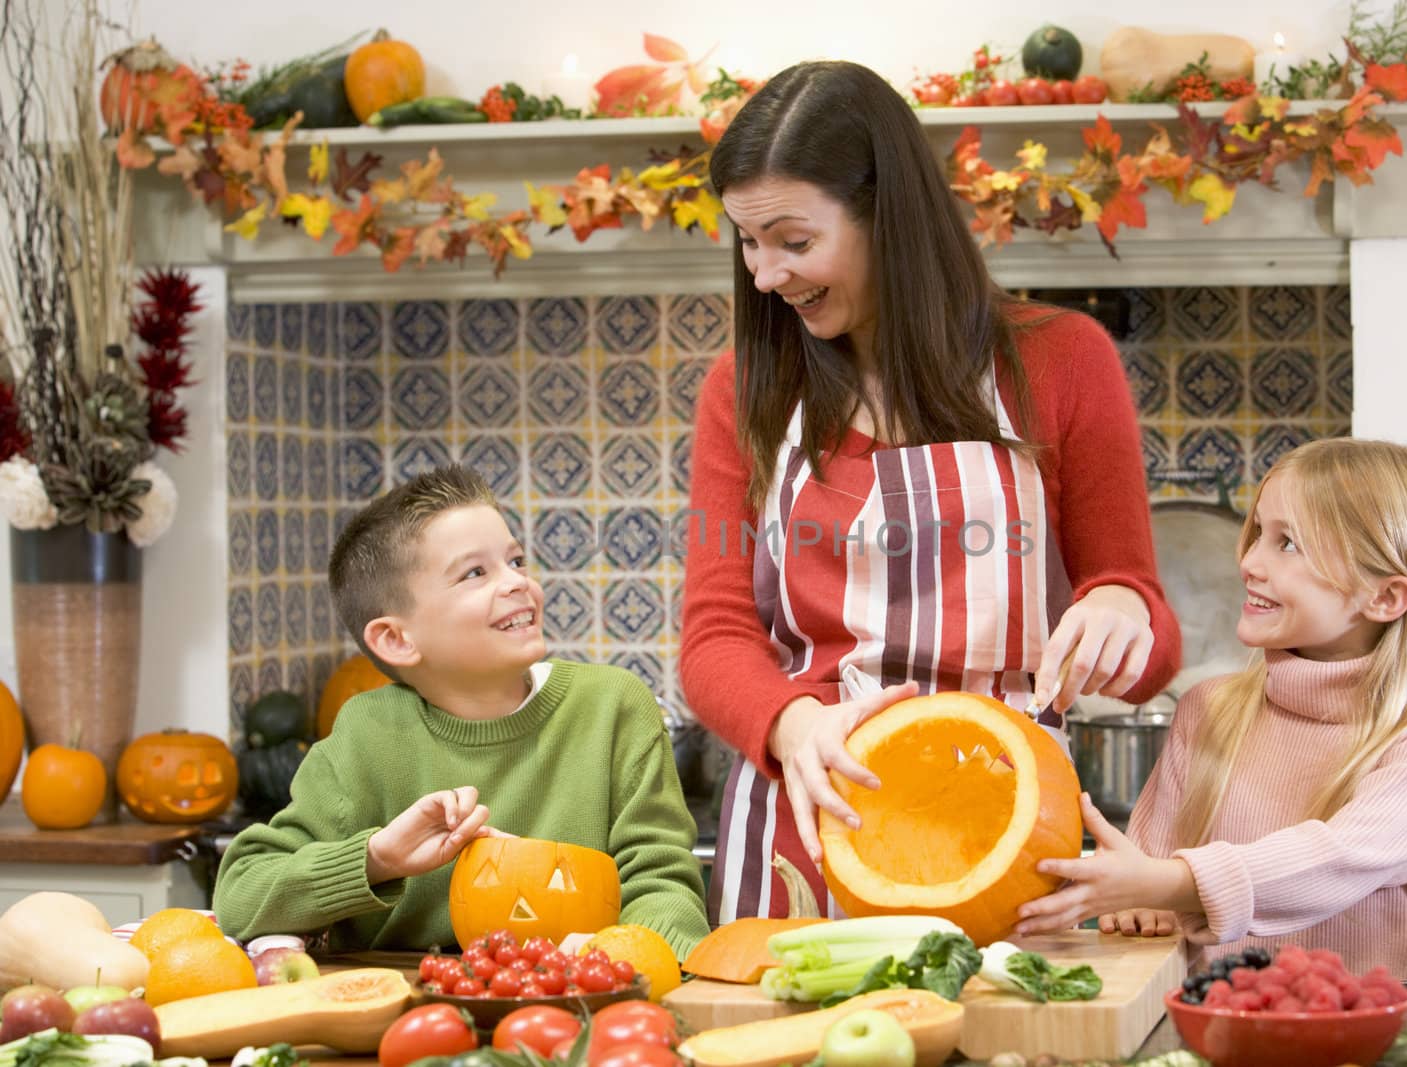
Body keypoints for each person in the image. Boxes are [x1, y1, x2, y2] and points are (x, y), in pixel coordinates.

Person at [679, 59, 1182, 923]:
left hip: (1007, 837)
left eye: (795, 242)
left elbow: (1149, 633)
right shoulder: (746, 385)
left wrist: (1122, 612)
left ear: (891, 218)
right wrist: (791, 725)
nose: (765, 275)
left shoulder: (1061, 360)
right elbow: (715, 635)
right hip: (813, 826)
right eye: (748, 241)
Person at [1016, 439, 1407, 975]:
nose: (1248, 563)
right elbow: (1146, 884)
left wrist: (1170, 884)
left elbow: (1343, 858)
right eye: (1258, 535)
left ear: (1384, 597)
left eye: (1288, 544)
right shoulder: (1208, 709)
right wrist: (1138, 903)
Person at [215, 465, 710, 957]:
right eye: (475, 572)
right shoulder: (367, 732)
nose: (516, 582)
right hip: (407, 1011)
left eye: (515, 561)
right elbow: (241, 893)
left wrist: (633, 963)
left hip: (586, 993)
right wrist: (376, 859)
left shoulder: (613, 707)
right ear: (397, 639)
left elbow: (660, 880)